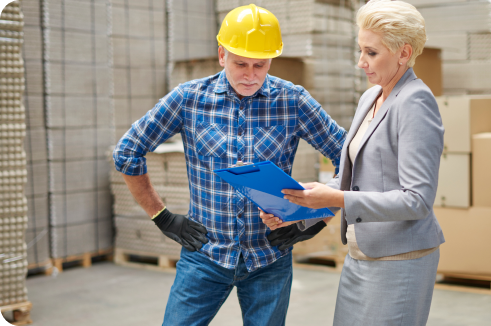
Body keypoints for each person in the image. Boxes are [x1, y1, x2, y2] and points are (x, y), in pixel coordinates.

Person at [113, 4, 347, 326]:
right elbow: (127, 151)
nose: (251, 75)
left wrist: (312, 222)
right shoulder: (189, 99)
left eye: (260, 65)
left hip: (269, 259)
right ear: (222, 54)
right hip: (204, 257)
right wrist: (162, 217)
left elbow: (351, 160)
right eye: (240, 64)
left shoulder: (293, 101)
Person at [262, 0, 445, 324]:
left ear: (403, 53)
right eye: (360, 50)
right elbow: (351, 179)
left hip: (400, 259)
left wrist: (334, 198)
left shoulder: (416, 102)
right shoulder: (370, 97)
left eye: (372, 53)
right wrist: (295, 206)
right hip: (361, 254)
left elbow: (416, 200)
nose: (361, 62)